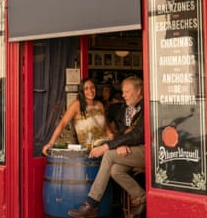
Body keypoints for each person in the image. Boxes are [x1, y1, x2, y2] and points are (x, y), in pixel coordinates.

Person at [68, 76, 145, 218]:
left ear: (139, 91)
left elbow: (138, 135)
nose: (123, 95)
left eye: (127, 91)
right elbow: (123, 132)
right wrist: (121, 142)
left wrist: (108, 146)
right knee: (115, 170)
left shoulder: (147, 107)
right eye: (123, 91)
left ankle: (91, 203)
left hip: (149, 152)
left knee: (108, 154)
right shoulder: (127, 109)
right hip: (133, 149)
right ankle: (141, 197)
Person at [42, 77, 113, 156]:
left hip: (106, 145)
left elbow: (105, 126)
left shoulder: (99, 104)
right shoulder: (77, 104)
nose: (90, 91)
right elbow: (62, 124)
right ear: (82, 91)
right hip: (90, 149)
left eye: (92, 87)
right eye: (86, 88)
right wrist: (51, 143)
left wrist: (112, 137)